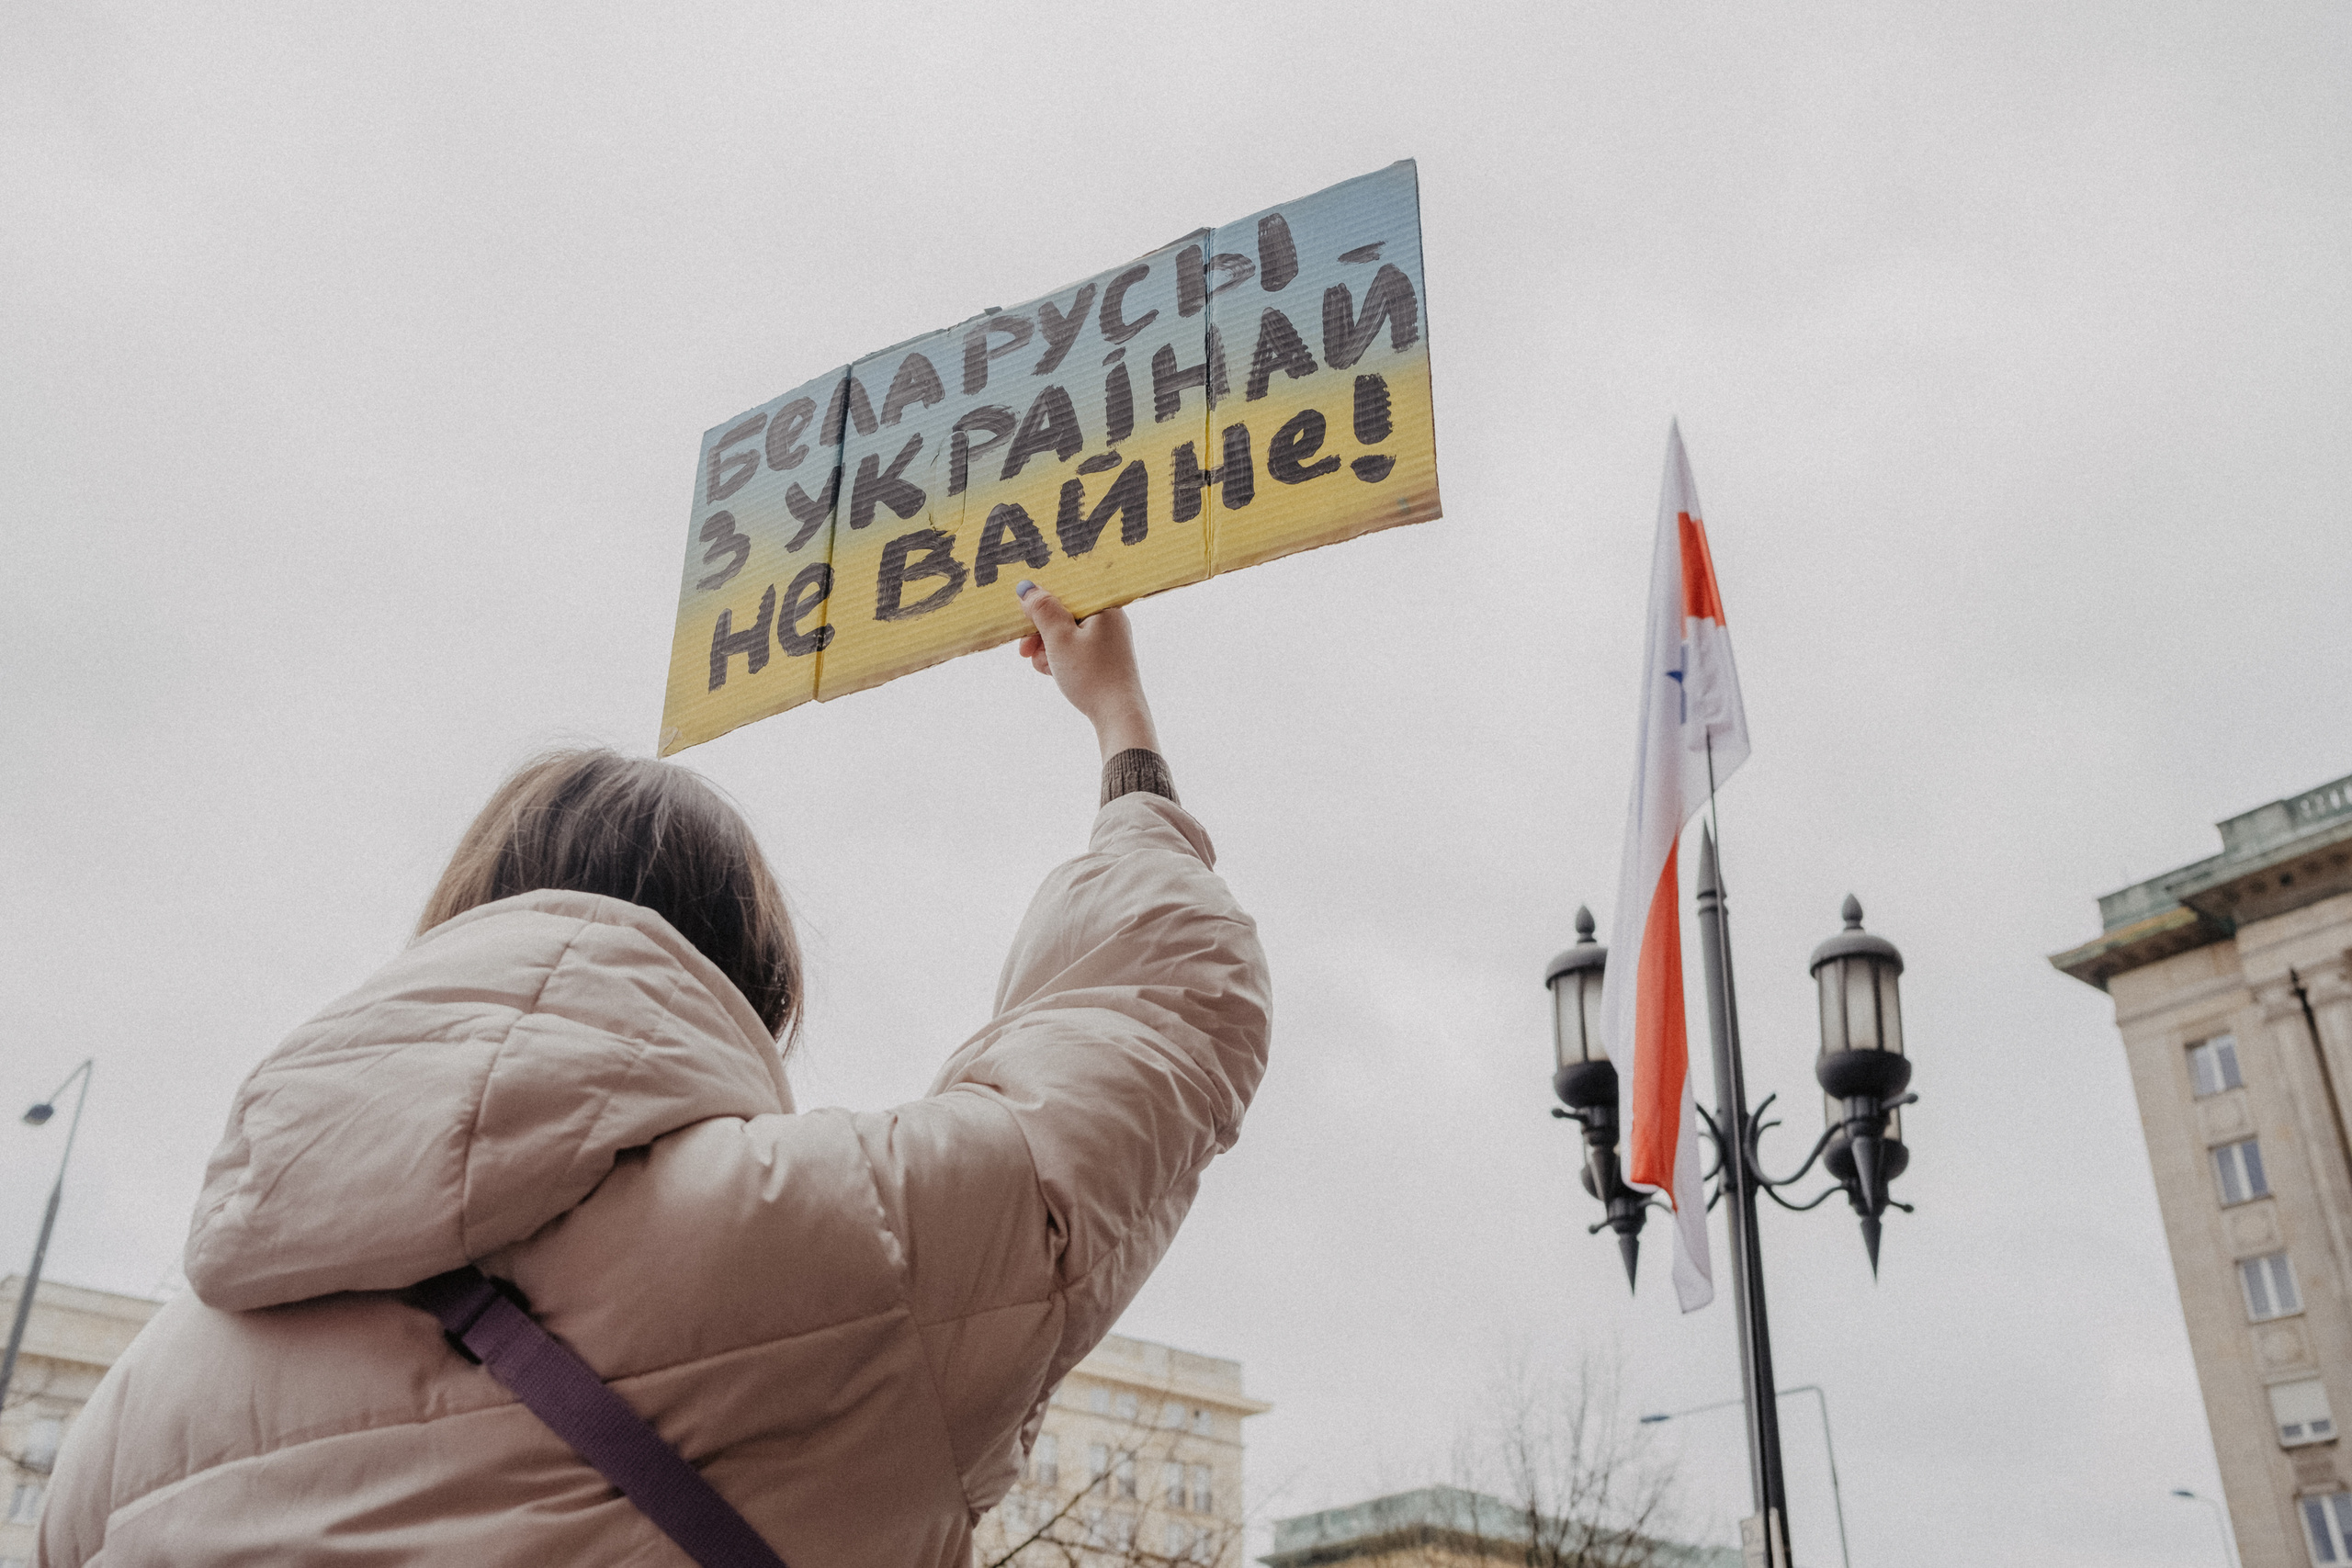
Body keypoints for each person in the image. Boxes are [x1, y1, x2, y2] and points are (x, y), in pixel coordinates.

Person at [38, 585, 1271, 1568]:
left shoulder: (141, 1402)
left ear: (463, 915)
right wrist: (1121, 725)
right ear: (755, 986)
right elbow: (1155, 1013)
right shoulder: (840, 1247)